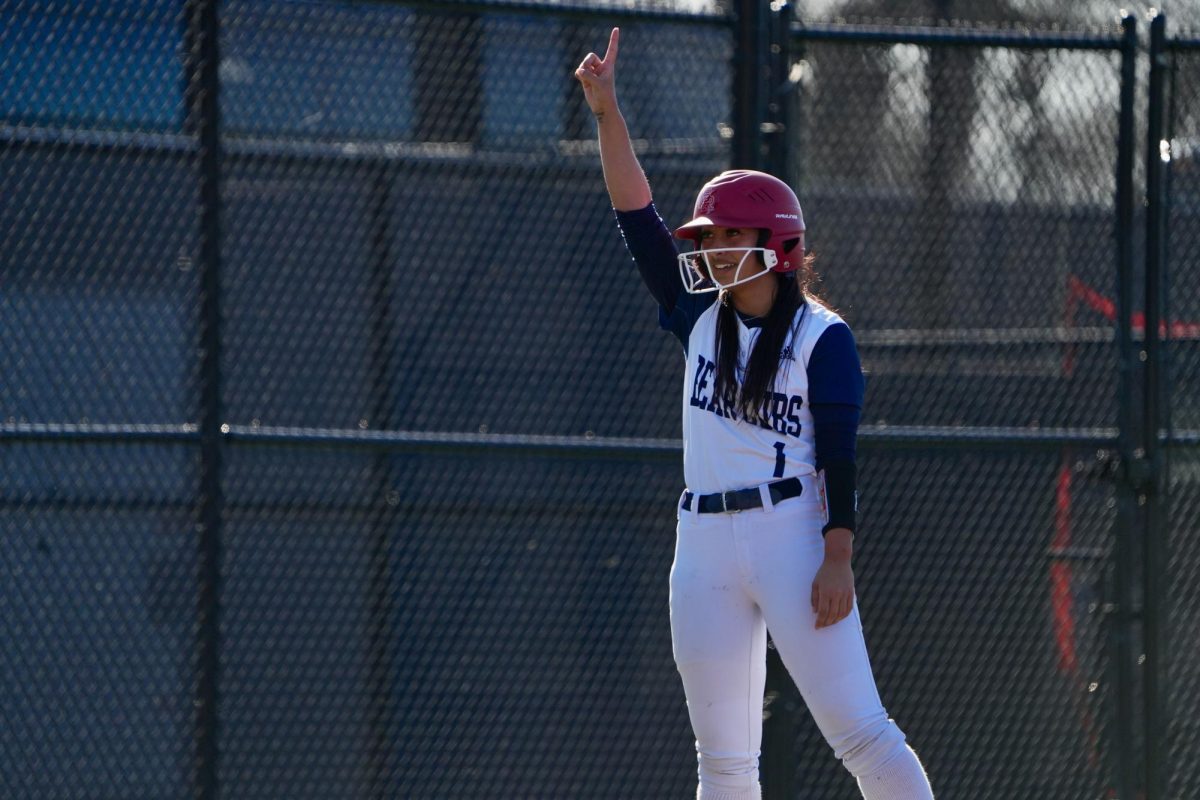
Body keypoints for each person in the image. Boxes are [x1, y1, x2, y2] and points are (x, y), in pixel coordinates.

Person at [574, 28, 935, 800]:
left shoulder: (821, 336)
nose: (709, 248)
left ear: (778, 245)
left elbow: (839, 452)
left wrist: (838, 552)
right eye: (707, 235)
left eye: (728, 234)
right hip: (701, 538)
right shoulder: (695, 312)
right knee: (725, 763)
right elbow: (636, 214)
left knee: (863, 733)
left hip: (793, 536)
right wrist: (608, 114)